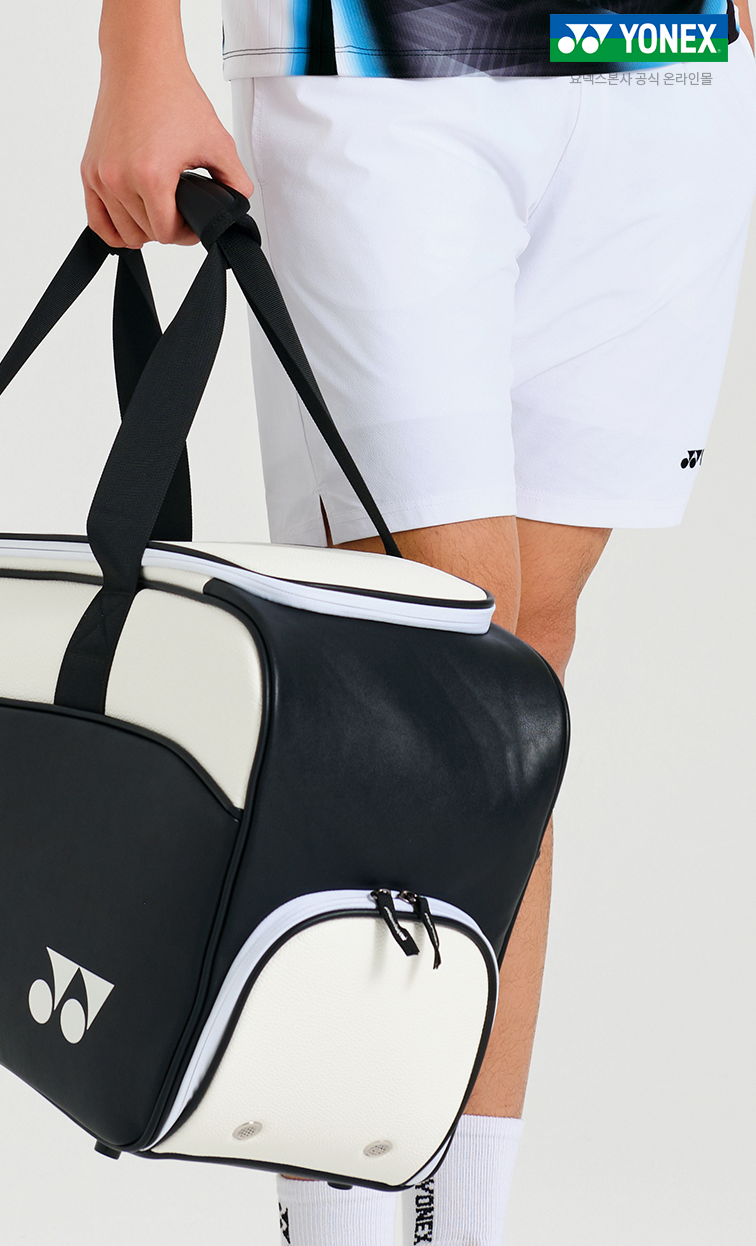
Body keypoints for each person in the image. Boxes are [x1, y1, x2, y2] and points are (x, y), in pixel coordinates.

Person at [81, 2, 756, 1243]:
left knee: (514, 690)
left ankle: (459, 1225)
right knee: (413, 685)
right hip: (376, 65)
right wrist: (139, 50)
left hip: (661, 69)